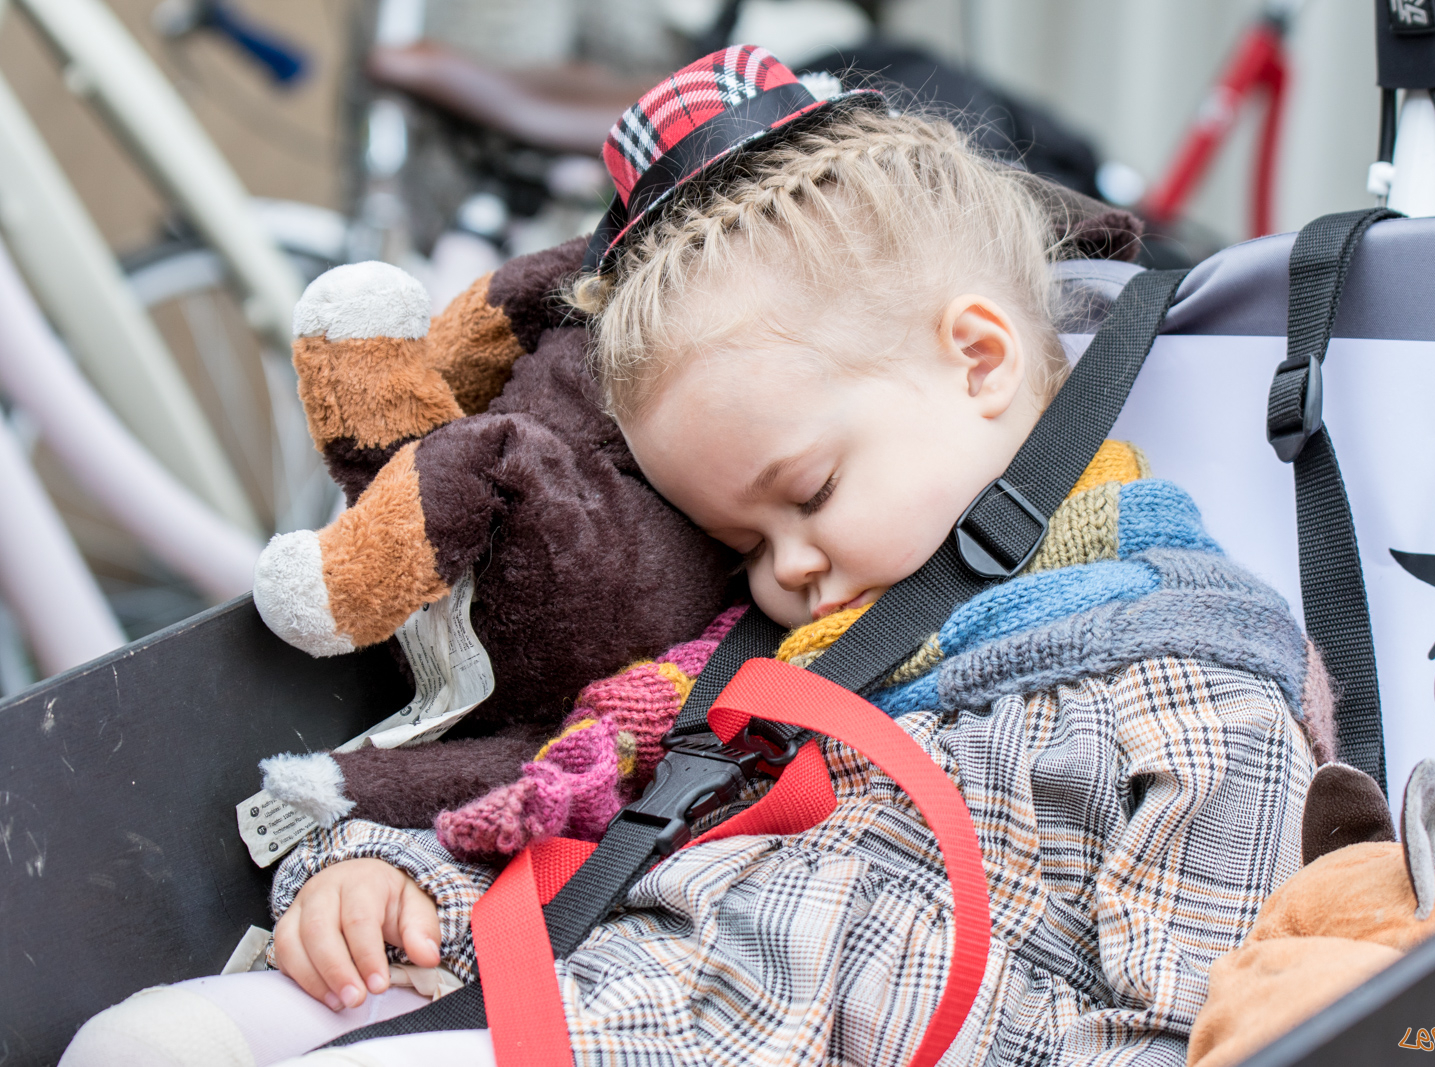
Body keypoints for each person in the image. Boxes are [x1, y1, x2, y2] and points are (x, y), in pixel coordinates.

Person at [64, 46, 1331, 1067]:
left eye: (808, 494)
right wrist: (393, 879)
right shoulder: (779, 652)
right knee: (146, 1038)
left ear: (982, 358)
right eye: (741, 540)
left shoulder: (1185, 688)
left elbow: (1196, 1020)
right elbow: (581, 811)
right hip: (612, 996)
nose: (785, 568)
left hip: (717, 1022)